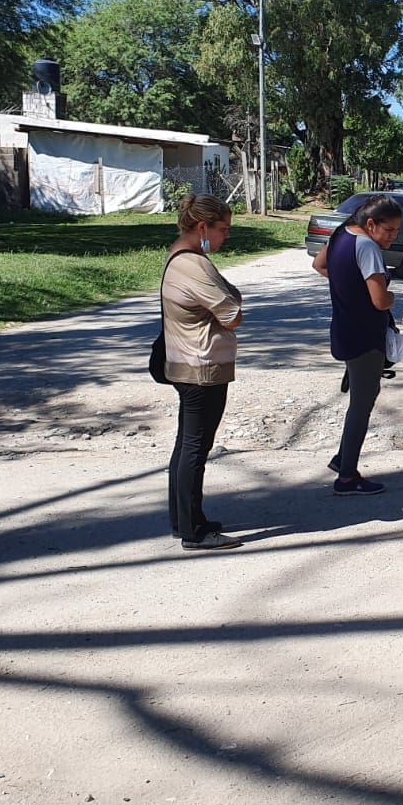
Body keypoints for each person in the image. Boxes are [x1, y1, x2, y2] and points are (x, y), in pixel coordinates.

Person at [161, 194, 245, 551]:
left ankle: (185, 519)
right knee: (195, 448)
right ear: (202, 227)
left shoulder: (181, 255)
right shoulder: (193, 264)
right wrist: (231, 301)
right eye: (222, 229)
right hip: (201, 366)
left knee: (187, 445)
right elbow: (232, 313)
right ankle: (193, 530)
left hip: (189, 362)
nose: (226, 236)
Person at [313, 194, 403, 495]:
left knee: (361, 398)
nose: (392, 236)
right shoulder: (367, 246)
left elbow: (319, 263)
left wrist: (345, 287)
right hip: (366, 336)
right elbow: (380, 300)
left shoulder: (342, 233)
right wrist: (394, 300)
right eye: (388, 230)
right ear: (371, 223)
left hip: (345, 328)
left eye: (396, 231)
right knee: (362, 405)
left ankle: (343, 459)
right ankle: (347, 477)